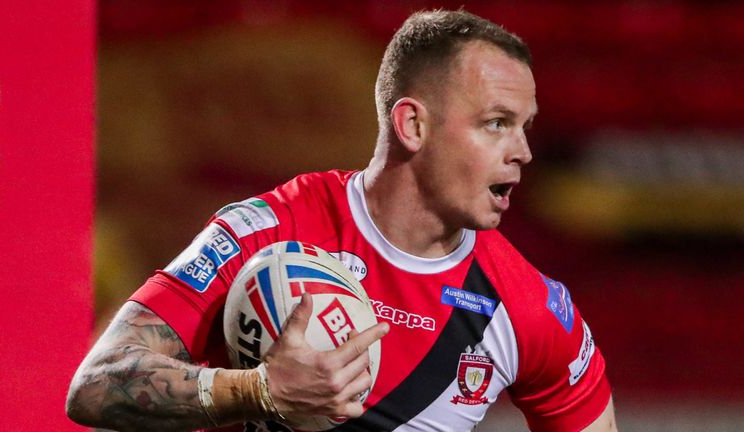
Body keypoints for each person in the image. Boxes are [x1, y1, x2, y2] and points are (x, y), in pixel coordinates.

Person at [67, 9, 617, 432]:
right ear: (412, 126)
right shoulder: (265, 230)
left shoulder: (527, 307)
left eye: (525, 126)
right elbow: (93, 386)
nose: (522, 151)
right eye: (497, 123)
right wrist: (257, 391)